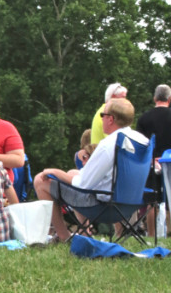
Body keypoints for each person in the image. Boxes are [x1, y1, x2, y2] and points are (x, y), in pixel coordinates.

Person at [34, 98, 147, 242]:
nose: (102, 120)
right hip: (131, 204)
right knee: (73, 173)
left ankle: (63, 236)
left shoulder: (108, 145)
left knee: (40, 180)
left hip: (105, 208)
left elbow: (83, 184)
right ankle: (85, 234)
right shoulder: (142, 141)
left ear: (110, 119)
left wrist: (55, 172)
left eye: (103, 116)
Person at [136, 84, 171, 236]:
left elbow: (139, 144)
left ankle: (151, 234)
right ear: (169, 99)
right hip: (169, 162)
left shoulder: (144, 118)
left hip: (150, 163)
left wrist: (151, 160)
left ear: (155, 98)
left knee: (152, 202)